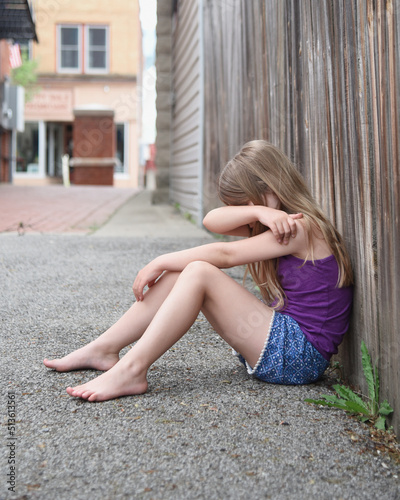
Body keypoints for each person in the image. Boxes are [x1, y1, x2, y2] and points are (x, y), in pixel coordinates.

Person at [44, 140, 353, 402]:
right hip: (285, 346)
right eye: (239, 207)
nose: (242, 216)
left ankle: (132, 371)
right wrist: (259, 209)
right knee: (185, 271)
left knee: (198, 273)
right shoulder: (273, 221)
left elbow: (225, 253)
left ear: (269, 187)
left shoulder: (298, 228)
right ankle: (105, 348)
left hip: (298, 355)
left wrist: (161, 260)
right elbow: (212, 220)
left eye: (245, 203)